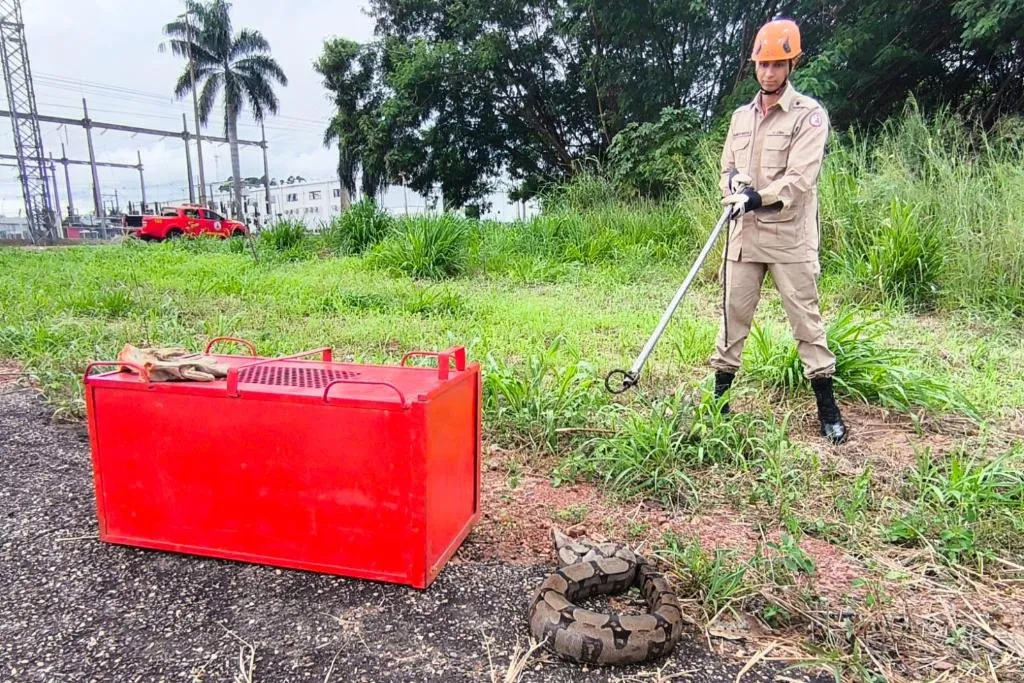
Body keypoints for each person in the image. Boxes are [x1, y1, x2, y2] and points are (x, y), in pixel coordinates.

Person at [711, 17, 848, 445]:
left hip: (789, 238)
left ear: (792, 64)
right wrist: (732, 183)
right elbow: (727, 168)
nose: (768, 72)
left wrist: (758, 196)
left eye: (776, 64)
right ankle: (718, 403)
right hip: (745, 236)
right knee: (733, 318)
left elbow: (800, 178)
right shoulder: (740, 117)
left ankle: (827, 408)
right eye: (762, 64)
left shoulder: (809, 116)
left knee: (807, 322)